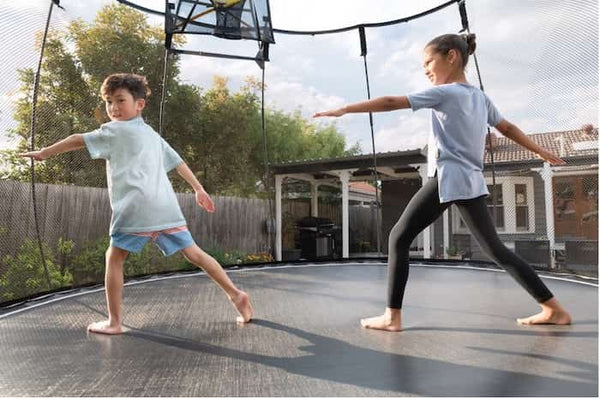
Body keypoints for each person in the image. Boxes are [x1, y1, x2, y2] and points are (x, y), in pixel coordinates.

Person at [313, 33, 572, 332]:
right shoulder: (479, 97)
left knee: (398, 237)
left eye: (428, 62)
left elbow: (390, 102)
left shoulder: (447, 93)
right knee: (496, 250)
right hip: (471, 180)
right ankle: (553, 308)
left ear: (451, 57)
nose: (425, 69)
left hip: (449, 177)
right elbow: (508, 127)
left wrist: (345, 109)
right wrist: (539, 150)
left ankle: (391, 317)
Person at [21, 73, 253, 335]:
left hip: (135, 208)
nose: (114, 108)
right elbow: (177, 162)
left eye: (120, 100)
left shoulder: (113, 130)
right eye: (109, 102)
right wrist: (198, 189)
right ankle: (236, 295)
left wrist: (44, 153)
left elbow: (77, 139)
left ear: (139, 104)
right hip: (165, 207)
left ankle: (114, 322)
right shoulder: (151, 135)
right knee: (194, 253)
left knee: (114, 257)